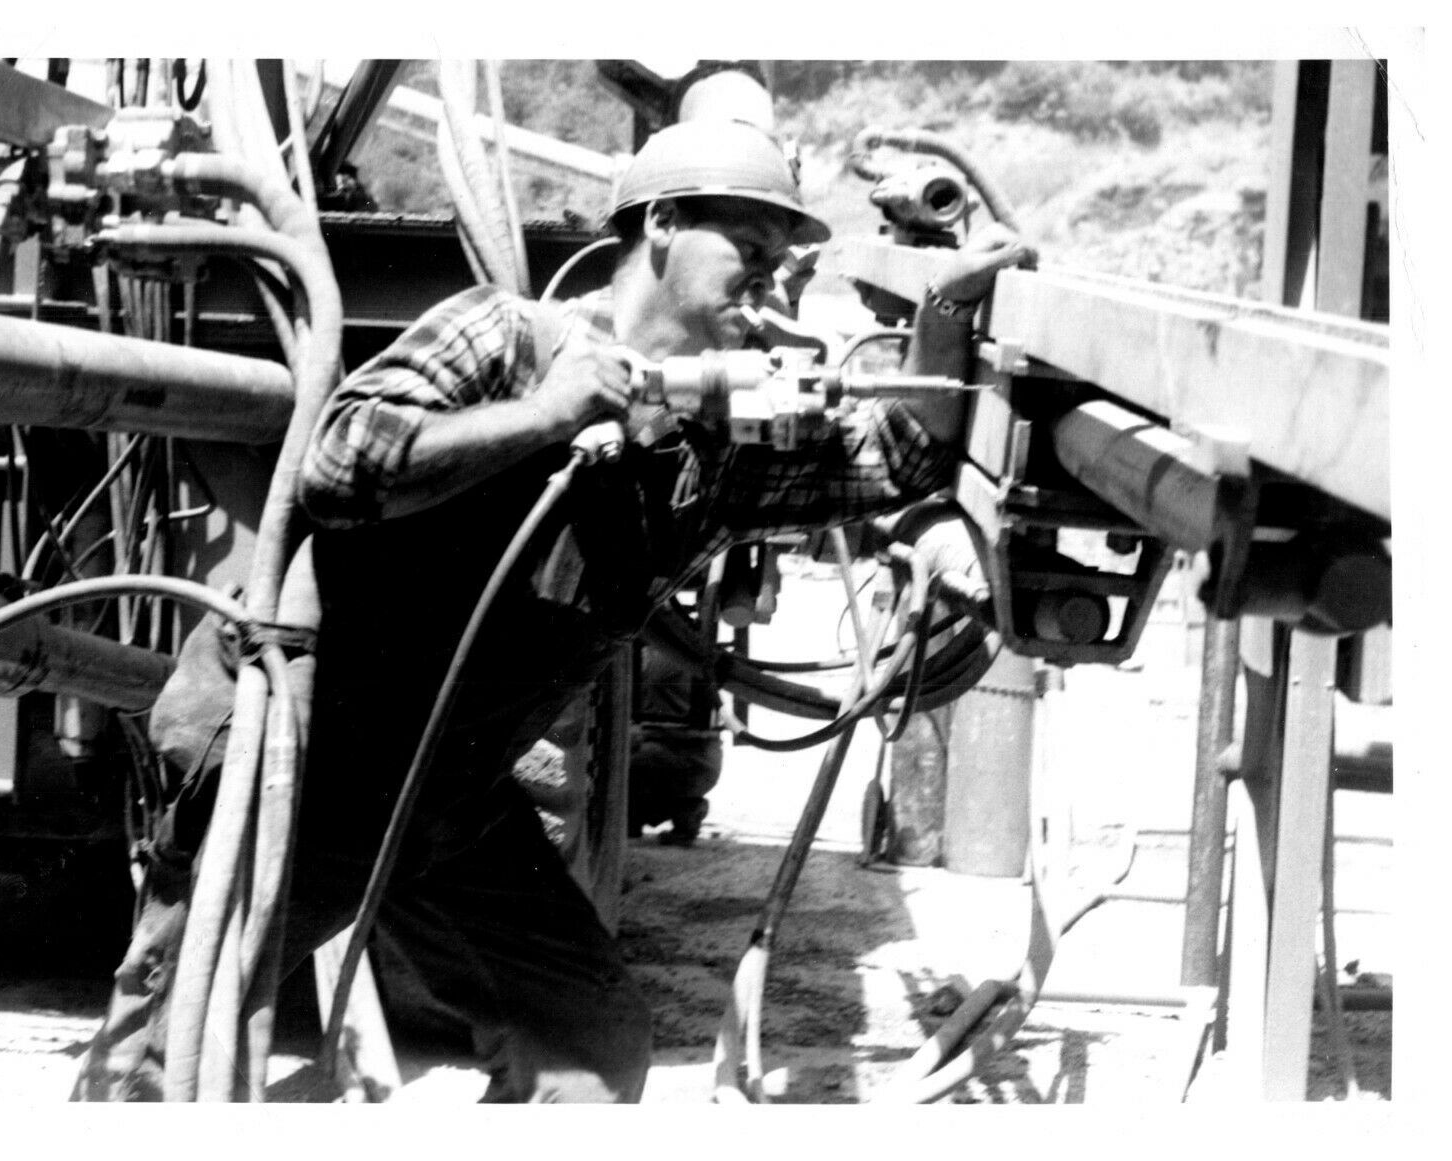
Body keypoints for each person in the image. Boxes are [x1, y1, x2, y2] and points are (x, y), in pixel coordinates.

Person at [73, 116, 1033, 1103]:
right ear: (659, 225)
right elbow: (338, 465)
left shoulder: (726, 444)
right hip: (310, 746)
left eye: (783, 262)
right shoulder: (505, 334)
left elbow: (903, 452)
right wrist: (549, 414)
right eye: (748, 249)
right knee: (169, 1056)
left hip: (450, 782)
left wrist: (951, 310)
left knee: (584, 1043)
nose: (771, 278)